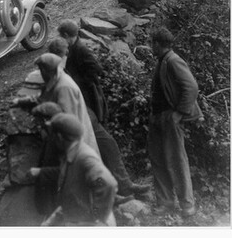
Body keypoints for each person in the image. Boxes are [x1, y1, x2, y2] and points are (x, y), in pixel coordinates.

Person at [56, 25, 151, 199]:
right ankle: (116, 190)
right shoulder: (63, 62)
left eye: (63, 36)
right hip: (80, 114)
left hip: (87, 107)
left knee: (107, 146)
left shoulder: (79, 50)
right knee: (102, 149)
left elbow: (96, 69)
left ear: (68, 36)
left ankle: (123, 187)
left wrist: (81, 85)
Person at [147, 27, 203, 217]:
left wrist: (179, 113)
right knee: (158, 159)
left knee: (176, 161)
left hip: (170, 118)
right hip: (158, 118)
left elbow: (191, 87)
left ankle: (187, 205)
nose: (150, 46)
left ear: (157, 44)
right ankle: (166, 203)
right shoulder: (163, 60)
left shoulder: (173, 60)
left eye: (152, 43)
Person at [11, 52, 100, 156]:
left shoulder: (64, 87)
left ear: (46, 70)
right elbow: (42, 98)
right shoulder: (54, 79)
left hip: (74, 140)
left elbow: (67, 117)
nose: (40, 73)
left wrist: (47, 121)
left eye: (41, 69)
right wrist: (21, 101)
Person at [38, 113, 118, 227]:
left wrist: (99, 217)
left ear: (60, 137)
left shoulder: (84, 157)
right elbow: (70, 198)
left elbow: (107, 183)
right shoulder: (71, 155)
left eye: (53, 135)